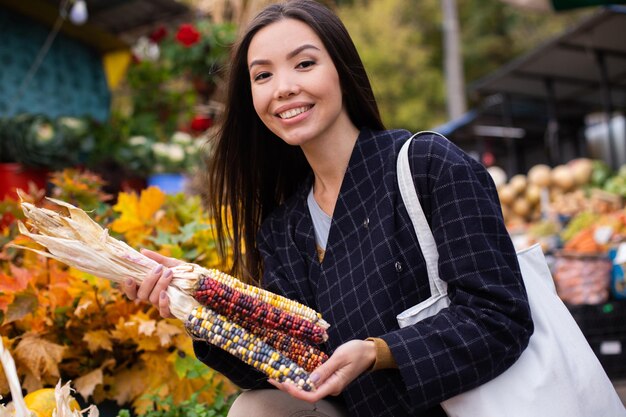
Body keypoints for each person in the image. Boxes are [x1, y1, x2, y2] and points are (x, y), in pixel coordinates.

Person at [122, 1, 533, 416]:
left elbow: (499, 318)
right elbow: (288, 364)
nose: (282, 88)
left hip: (459, 407)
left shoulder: (428, 164)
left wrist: (379, 352)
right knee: (255, 409)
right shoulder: (285, 227)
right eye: (263, 75)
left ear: (341, 69)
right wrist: (195, 305)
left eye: (303, 64)